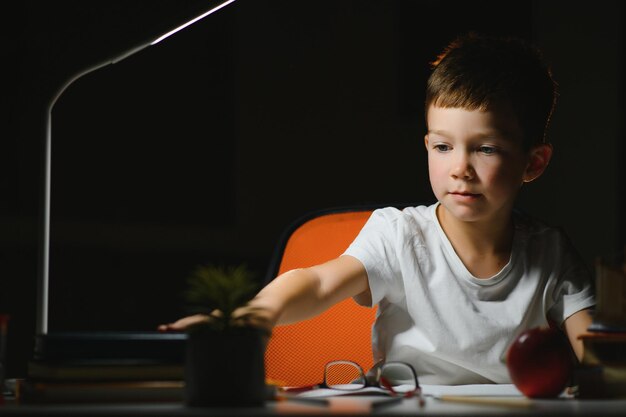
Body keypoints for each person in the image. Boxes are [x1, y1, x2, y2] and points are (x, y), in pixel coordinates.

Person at [160, 33, 595, 385]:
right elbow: (316, 282)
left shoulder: (551, 253)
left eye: (485, 148)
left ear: (533, 163)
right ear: (427, 145)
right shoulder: (399, 234)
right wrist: (246, 319)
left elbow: (596, 354)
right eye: (443, 146)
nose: (460, 168)